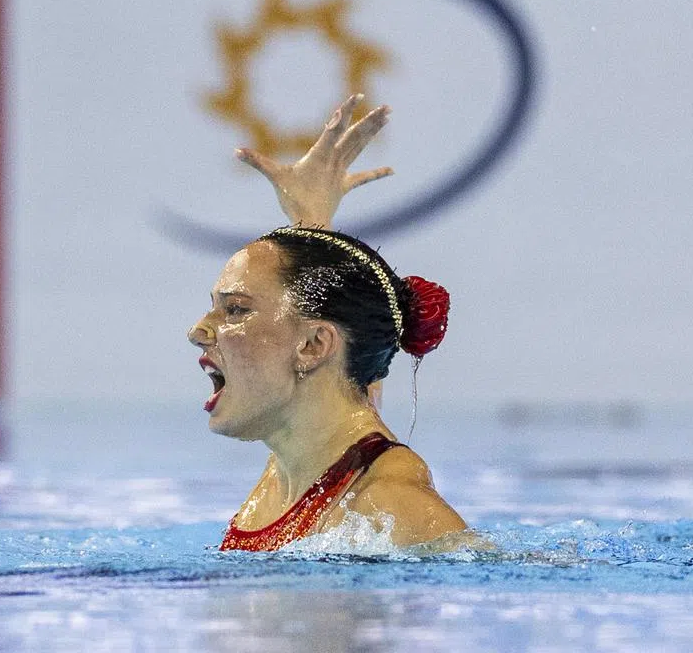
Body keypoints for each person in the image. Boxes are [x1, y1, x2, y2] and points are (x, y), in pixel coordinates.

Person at [188, 95, 492, 551]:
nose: (199, 330)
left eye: (235, 310)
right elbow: (347, 365)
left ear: (312, 346)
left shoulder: (391, 507)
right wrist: (312, 220)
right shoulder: (307, 452)